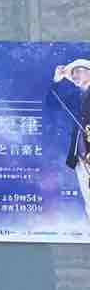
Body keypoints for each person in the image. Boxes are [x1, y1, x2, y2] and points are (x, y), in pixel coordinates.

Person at [55, 58, 90, 220]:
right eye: (72, 74)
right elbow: (52, 101)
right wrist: (58, 79)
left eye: (77, 71)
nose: (74, 76)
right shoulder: (77, 97)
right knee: (87, 196)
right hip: (80, 155)